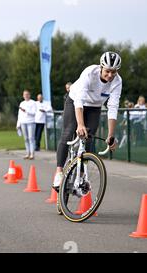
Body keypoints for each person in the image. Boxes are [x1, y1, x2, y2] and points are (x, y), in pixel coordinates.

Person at [53, 52, 122, 191]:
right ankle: (59, 171)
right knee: (68, 132)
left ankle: (82, 175)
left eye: (113, 72)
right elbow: (79, 100)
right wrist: (80, 124)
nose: (110, 75)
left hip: (95, 106)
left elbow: (113, 107)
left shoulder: (117, 81)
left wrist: (111, 135)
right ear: (101, 67)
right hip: (75, 101)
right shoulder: (90, 72)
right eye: (107, 71)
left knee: (89, 137)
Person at [16, 90, 37, 160]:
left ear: (29, 95)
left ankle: (32, 153)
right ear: (23, 96)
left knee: (31, 138)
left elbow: (34, 112)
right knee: (26, 138)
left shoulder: (33, 102)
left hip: (31, 122)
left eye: (27, 94)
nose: (26, 96)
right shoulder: (22, 103)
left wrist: (26, 111)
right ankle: (27, 153)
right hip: (23, 122)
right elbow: (19, 115)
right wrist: (18, 124)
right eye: (25, 94)